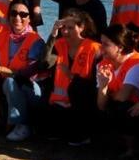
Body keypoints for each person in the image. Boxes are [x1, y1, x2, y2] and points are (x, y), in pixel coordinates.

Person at [0, 0, 47, 141]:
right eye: (14, 13)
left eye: (23, 14)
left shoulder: (35, 40)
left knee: (10, 83)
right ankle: (5, 117)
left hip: (31, 91)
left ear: (29, 18)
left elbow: (26, 75)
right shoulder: (2, 37)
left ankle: (21, 124)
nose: (18, 18)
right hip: (8, 92)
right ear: (9, 16)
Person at [43, 9, 103, 145]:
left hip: (84, 102)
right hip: (60, 103)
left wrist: (71, 76)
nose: (65, 32)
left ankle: (85, 133)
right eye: (63, 28)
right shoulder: (59, 44)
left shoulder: (94, 48)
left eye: (70, 28)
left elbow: (96, 83)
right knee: (46, 132)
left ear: (81, 27)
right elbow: (44, 62)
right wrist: (53, 34)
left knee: (73, 136)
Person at [94, 24, 139, 154]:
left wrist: (107, 94)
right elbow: (101, 105)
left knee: (122, 107)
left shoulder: (137, 63)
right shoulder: (103, 64)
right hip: (117, 108)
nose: (101, 48)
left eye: (106, 44)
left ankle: (132, 148)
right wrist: (104, 86)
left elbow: (123, 97)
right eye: (101, 43)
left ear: (120, 47)